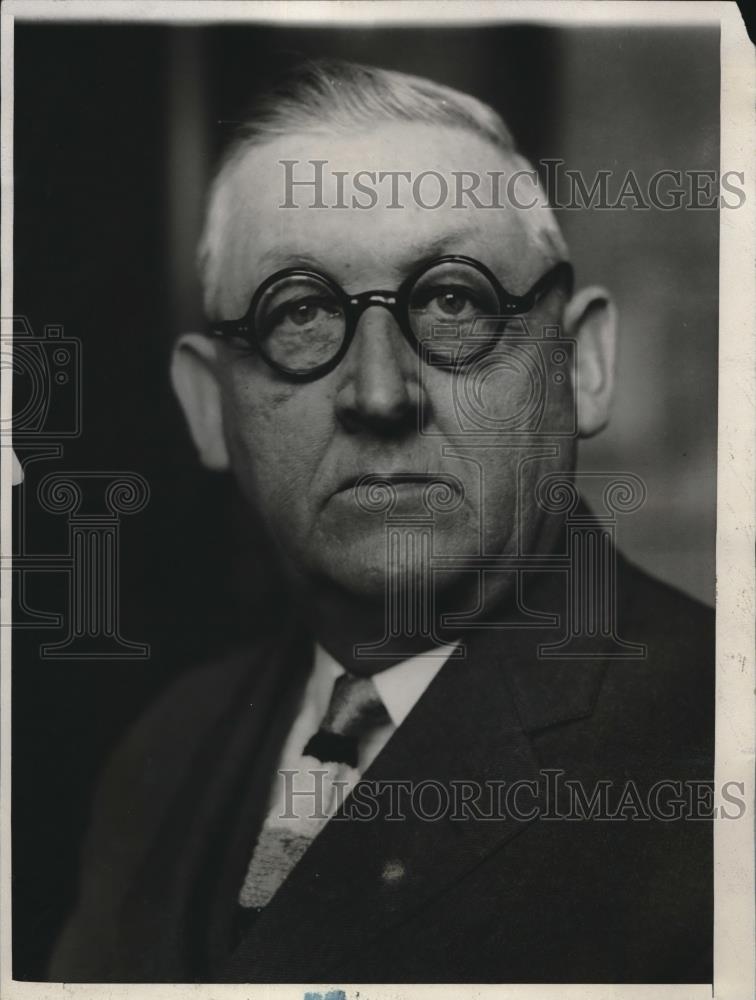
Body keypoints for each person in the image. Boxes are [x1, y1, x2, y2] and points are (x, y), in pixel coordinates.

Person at [50, 59, 713, 984]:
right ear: (209, 406)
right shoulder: (163, 751)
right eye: (303, 313)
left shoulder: (719, 748)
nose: (378, 392)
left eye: (453, 301)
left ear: (581, 365)